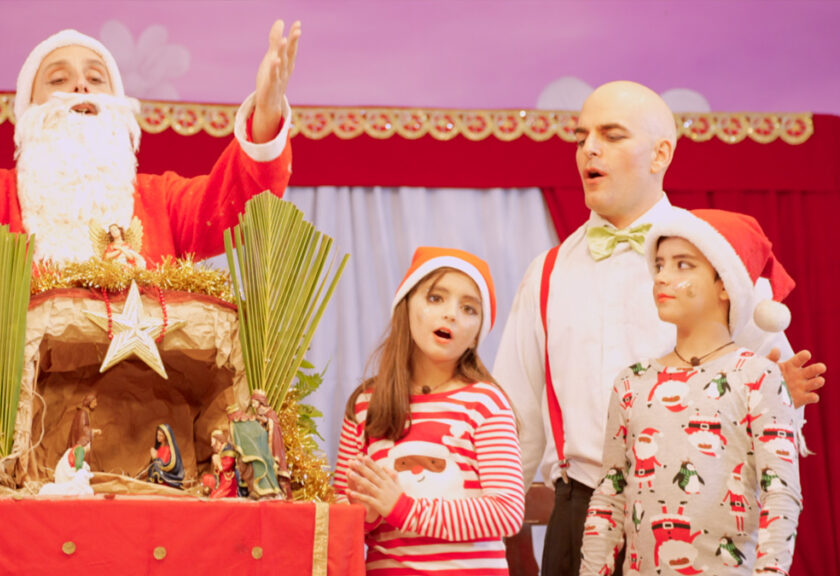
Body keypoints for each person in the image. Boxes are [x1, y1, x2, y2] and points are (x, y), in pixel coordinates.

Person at [491, 81, 825, 576]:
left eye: (612, 135)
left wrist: (785, 397)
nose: (590, 149)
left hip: (699, 512)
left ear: (660, 153)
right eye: (581, 137)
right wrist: (485, 532)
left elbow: (773, 388)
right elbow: (514, 421)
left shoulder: (718, 257)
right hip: (579, 514)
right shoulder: (547, 271)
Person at [0, 10, 300, 267]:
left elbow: (236, 209)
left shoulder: (161, 202)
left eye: (96, 79)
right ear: (29, 110)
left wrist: (266, 114)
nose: (81, 85)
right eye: (58, 80)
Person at [580, 208, 802, 575]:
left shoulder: (757, 376)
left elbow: (781, 495)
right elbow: (609, 498)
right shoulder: (632, 382)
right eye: (660, 265)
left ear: (724, 285)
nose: (663, 277)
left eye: (683, 265)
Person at [334, 247, 524, 575]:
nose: (451, 314)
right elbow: (339, 513)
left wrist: (403, 508)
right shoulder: (366, 405)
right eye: (436, 298)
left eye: (469, 308)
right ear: (406, 305)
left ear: (478, 331)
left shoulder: (486, 403)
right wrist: (366, 512)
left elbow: (505, 512)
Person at [250, 389, 292, 498]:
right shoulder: (257, 413)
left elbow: (275, 427)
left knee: (271, 467)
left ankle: (273, 489)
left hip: (270, 446)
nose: (252, 403)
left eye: (254, 401)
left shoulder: (270, 413)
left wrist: (267, 421)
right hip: (261, 445)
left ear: (260, 401)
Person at [145, 423, 185, 488]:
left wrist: (155, 457)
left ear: (166, 436)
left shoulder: (167, 449)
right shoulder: (159, 447)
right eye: (157, 435)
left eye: (161, 435)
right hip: (157, 476)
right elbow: (154, 464)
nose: (158, 437)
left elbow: (163, 465)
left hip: (164, 477)